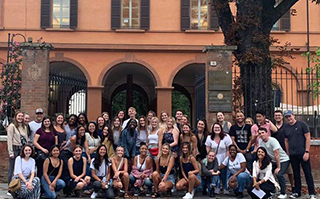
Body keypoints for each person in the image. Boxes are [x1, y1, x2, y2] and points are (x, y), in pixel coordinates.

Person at [283, 110, 316, 199]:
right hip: (293, 154)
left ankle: (312, 193)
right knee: (296, 174)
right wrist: (288, 152)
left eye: (290, 116)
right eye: (286, 117)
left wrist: (307, 151)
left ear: (293, 116)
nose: (288, 118)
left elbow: (308, 138)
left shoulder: (302, 124)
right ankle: (297, 192)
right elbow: (286, 140)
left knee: (307, 173)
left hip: (303, 153)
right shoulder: (286, 127)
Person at [258, 127, 290, 198]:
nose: (261, 134)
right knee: (267, 174)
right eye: (259, 133)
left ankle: (283, 193)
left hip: (283, 160)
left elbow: (277, 154)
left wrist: (278, 167)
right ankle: (272, 190)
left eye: (263, 132)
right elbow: (261, 153)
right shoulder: (260, 141)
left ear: (267, 133)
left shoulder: (273, 140)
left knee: (279, 174)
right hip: (273, 160)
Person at [205, 122, 232, 195]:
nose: (217, 129)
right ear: (213, 129)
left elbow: (228, 149)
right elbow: (208, 148)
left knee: (224, 173)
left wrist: (226, 159)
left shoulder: (226, 136)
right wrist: (210, 157)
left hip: (224, 156)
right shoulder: (209, 137)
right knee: (215, 173)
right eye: (215, 128)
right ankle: (216, 187)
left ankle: (225, 188)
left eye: (218, 128)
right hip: (214, 157)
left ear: (221, 128)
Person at [273, 110, 294, 193]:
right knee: (276, 172)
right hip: (276, 152)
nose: (277, 117)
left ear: (282, 117)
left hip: (286, 152)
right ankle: (277, 187)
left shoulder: (286, 126)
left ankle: (293, 187)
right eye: (276, 115)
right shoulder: (272, 127)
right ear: (274, 117)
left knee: (290, 172)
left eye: (279, 115)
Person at [7, 111, 28, 190]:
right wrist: (10, 152)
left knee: (20, 169)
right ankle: (10, 188)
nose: (20, 118)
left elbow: (25, 139)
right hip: (14, 148)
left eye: (22, 116)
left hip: (22, 149)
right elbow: (9, 139)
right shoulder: (12, 126)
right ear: (15, 117)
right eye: (19, 116)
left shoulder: (24, 127)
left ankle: (18, 186)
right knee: (12, 168)